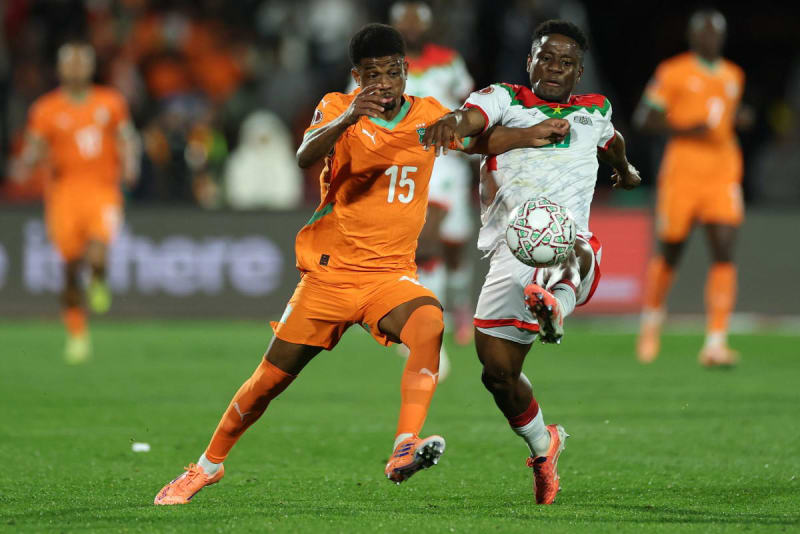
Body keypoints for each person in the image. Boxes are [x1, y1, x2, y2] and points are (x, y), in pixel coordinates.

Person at [153, 23, 568, 505]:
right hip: (329, 276)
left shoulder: (429, 116)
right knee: (267, 383)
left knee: (428, 324)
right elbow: (307, 154)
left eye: (394, 73)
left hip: (389, 277)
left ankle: (404, 445)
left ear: (406, 73)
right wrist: (349, 116)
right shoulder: (335, 107)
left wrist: (533, 133)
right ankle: (205, 467)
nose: (386, 83)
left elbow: (480, 143)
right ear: (357, 76)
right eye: (374, 75)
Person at [422, 19, 641, 504]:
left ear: (579, 71)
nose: (554, 68)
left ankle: (556, 305)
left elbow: (613, 140)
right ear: (530, 61)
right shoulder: (508, 98)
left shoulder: (595, 110)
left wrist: (623, 170)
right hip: (511, 248)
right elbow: (471, 118)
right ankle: (545, 444)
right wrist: (453, 123)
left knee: (576, 245)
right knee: (495, 372)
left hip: (566, 238)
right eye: (546, 57)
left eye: (565, 62)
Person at [13, 41, 139, 364]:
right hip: (64, 194)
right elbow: (33, 146)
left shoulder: (110, 102)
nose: (75, 68)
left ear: (91, 67)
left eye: (81, 62)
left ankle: (99, 277)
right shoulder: (46, 109)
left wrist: (130, 164)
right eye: (69, 63)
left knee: (96, 254)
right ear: (60, 68)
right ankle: (77, 334)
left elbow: (126, 137)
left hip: (101, 190)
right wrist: (28, 159)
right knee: (69, 267)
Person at [634, 9, 747, 367]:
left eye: (715, 33)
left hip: (723, 172)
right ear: (693, 36)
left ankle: (715, 342)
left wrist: (740, 117)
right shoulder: (673, 71)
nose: (710, 39)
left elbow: (725, 115)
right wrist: (685, 128)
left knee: (725, 250)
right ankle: (651, 321)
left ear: (722, 37)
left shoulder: (734, 75)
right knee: (671, 252)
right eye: (704, 33)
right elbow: (644, 119)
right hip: (682, 173)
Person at [224, 110, 303, 210]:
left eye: (266, 138)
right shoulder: (239, 161)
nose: (262, 143)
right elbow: (237, 196)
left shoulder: (286, 162)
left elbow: (289, 196)